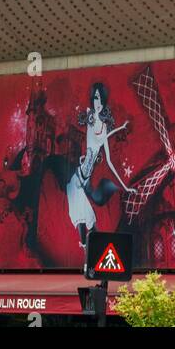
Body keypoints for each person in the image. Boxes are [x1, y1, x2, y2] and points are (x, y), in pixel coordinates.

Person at [67, 82, 136, 246]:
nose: (97, 102)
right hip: (78, 179)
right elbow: (90, 139)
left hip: (84, 181)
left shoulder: (103, 127)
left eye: (100, 99)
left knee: (91, 224)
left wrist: (125, 187)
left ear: (104, 101)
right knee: (84, 225)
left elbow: (110, 161)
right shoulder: (91, 118)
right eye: (95, 98)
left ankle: (94, 259)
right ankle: (88, 256)